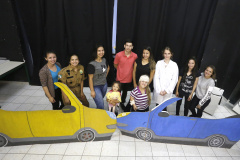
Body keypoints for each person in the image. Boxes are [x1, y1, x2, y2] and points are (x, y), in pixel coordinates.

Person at [114, 39, 138, 111]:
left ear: (132, 47)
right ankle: (116, 104)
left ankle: (122, 102)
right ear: (124, 46)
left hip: (128, 79)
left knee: (125, 92)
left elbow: (135, 66)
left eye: (130, 46)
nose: (128, 47)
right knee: (118, 93)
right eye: (127, 45)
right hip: (119, 78)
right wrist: (121, 71)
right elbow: (115, 65)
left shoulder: (135, 56)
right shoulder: (118, 55)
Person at [153, 47, 178, 111]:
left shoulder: (174, 65)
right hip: (159, 90)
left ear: (171, 54)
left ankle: (163, 119)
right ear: (163, 54)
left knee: (164, 107)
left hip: (167, 90)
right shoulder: (159, 63)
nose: (167, 55)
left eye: (168, 53)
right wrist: (159, 90)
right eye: (165, 53)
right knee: (157, 106)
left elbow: (174, 79)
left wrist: (167, 90)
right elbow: (156, 77)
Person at [88, 45, 110, 109]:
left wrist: (104, 77)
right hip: (95, 86)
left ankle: (98, 113)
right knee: (101, 105)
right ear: (96, 52)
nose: (101, 52)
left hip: (104, 85)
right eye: (99, 51)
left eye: (102, 50)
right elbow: (90, 78)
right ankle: (100, 117)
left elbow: (108, 68)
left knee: (99, 101)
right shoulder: (92, 64)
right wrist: (92, 90)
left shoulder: (104, 60)